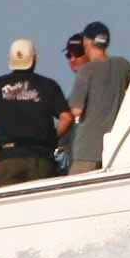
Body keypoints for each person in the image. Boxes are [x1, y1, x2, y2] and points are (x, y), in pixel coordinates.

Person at [0, 38, 73, 188]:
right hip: (40, 159)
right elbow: (66, 118)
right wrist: (51, 138)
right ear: (34, 59)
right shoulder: (48, 85)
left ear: (10, 60)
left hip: (6, 160)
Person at [67, 20, 130, 175]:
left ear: (87, 42)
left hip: (87, 149)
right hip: (115, 147)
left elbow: (76, 110)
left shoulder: (86, 71)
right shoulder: (122, 65)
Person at [56, 33, 87, 174]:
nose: (72, 59)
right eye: (68, 55)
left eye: (78, 53)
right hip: (73, 167)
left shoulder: (104, 86)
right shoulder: (71, 98)